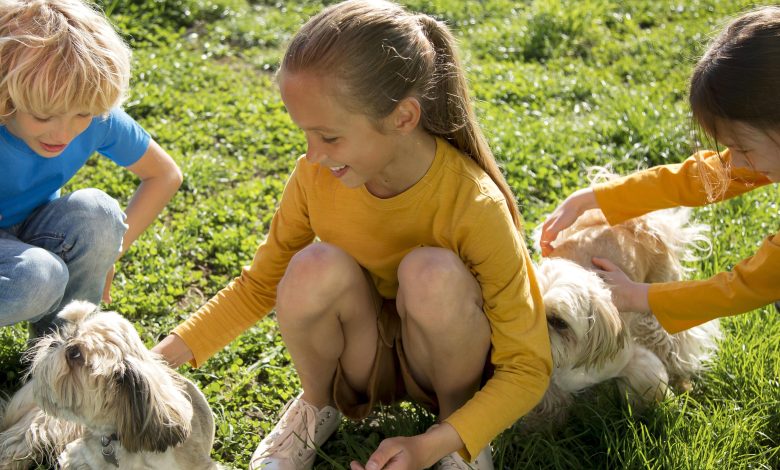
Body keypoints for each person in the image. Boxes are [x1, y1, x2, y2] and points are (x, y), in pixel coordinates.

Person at [153, 1, 551, 469]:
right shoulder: (314, 178)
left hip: (443, 360)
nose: (313, 156)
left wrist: (432, 444)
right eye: (305, 135)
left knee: (432, 272)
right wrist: (152, 364)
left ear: (403, 118)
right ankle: (318, 405)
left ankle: (460, 433)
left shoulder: (474, 202)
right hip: (364, 362)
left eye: (330, 137)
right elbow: (260, 286)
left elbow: (528, 367)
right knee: (311, 267)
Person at [539, 6, 780, 334]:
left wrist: (640, 296)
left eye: (742, 149)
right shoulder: (767, 150)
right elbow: (694, 180)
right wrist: (593, 198)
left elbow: (741, 288)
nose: (733, 164)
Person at [0, 0, 182, 335]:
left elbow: (164, 174)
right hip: (22, 265)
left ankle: (61, 357)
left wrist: (111, 254)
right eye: (42, 116)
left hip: (28, 227)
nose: (63, 133)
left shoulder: (94, 112)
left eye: (81, 115)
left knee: (99, 213)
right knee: (40, 276)